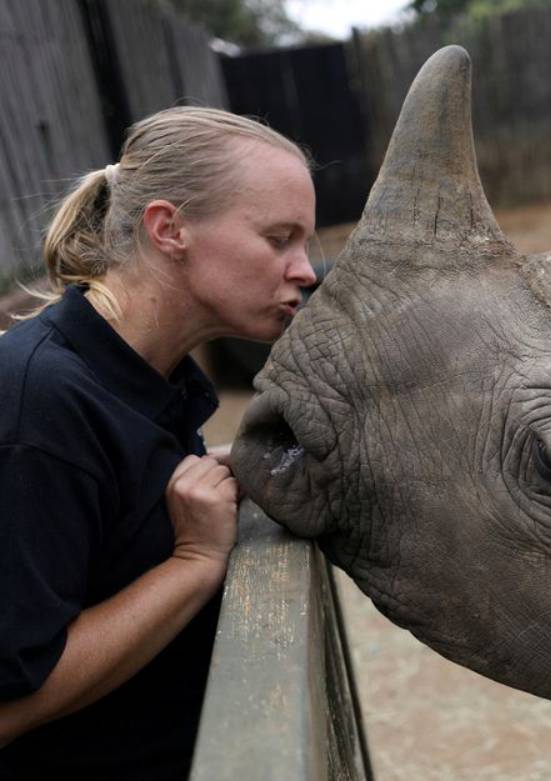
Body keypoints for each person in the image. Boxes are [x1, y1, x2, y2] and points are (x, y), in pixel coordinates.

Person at [0, 106, 317, 779]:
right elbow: (8, 703)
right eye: (279, 238)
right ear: (169, 229)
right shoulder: (39, 404)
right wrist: (193, 561)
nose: (306, 269)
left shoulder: (151, 376)